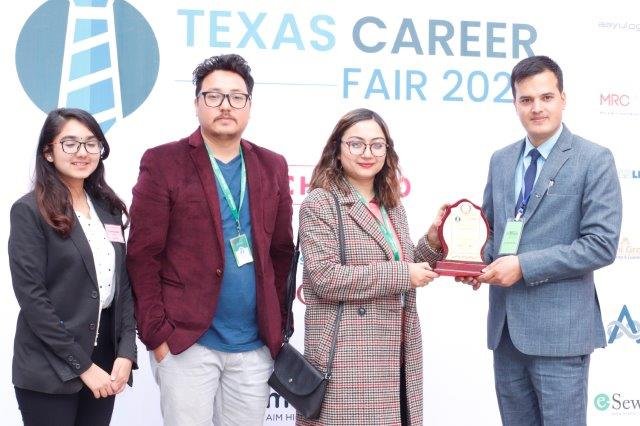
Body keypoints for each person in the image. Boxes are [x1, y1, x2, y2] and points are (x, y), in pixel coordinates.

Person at [126, 53, 294, 425]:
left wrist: (278, 325)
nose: (225, 105)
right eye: (213, 96)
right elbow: (142, 254)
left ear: (249, 105)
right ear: (197, 103)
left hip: (253, 346)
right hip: (187, 343)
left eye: (236, 97)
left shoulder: (272, 165)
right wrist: (157, 335)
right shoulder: (164, 162)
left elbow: (281, 252)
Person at [461, 55, 622, 425]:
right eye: (526, 99)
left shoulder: (593, 159)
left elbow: (601, 244)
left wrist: (523, 266)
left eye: (546, 97)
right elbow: (492, 232)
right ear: (515, 103)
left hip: (560, 336)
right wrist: (474, 262)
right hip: (506, 333)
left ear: (563, 98)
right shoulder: (501, 160)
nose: (537, 108)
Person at [297, 108, 445, 425]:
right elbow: (324, 278)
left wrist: (433, 242)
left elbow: (406, 266)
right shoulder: (321, 202)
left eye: (377, 145)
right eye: (356, 144)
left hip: (398, 349)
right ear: (337, 149)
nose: (367, 153)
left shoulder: (392, 205)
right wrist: (403, 274)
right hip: (349, 355)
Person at [8, 108, 137, 426]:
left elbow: (123, 285)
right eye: (70, 143)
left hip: (105, 358)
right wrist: (84, 367)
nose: (82, 152)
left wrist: (126, 350)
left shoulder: (108, 208)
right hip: (49, 365)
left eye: (91, 143)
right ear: (48, 152)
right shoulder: (29, 211)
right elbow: (33, 299)